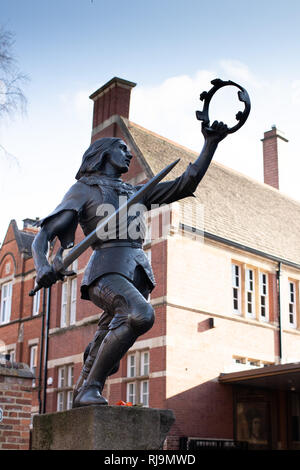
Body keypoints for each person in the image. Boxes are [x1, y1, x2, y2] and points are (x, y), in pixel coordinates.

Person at [32, 120, 228, 407]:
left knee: (106, 337)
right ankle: (91, 389)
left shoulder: (136, 192)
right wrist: (42, 266)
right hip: (105, 271)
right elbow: (44, 236)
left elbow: (187, 183)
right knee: (140, 315)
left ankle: (85, 384)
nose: (129, 154)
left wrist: (210, 144)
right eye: (122, 149)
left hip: (137, 270)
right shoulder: (84, 189)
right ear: (104, 154)